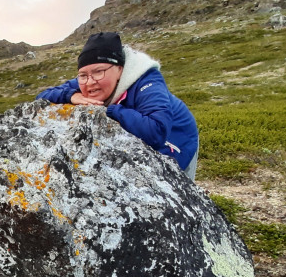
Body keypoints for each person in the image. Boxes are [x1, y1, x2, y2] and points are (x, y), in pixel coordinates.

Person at [36, 32, 199, 180]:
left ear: (120, 69)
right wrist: (71, 95)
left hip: (177, 139)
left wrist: (112, 110)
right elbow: (42, 97)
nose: (90, 82)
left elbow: (156, 131)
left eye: (99, 71)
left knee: (177, 192)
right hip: (139, 138)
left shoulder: (148, 82)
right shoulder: (88, 81)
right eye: (83, 75)